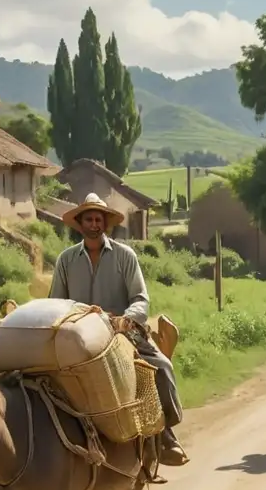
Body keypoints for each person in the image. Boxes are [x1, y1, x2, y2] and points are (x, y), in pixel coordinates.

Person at [48, 193, 189, 470]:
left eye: (98, 219)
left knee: (160, 366)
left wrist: (125, 318)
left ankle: (165, 435)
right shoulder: (66, 260)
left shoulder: (125, 256)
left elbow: (141, 298)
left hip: (119, 330)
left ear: (105, 224)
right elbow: (56, 302)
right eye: (88, 219)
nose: (93, 224)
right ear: (80, 224)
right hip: (77, 333)